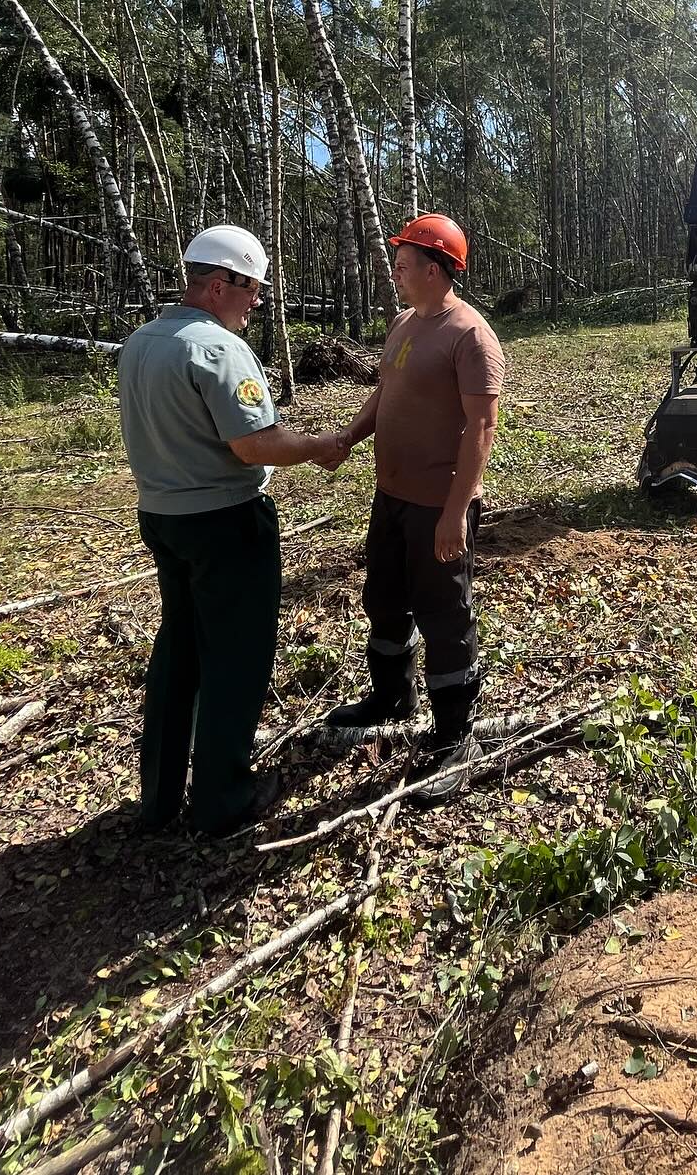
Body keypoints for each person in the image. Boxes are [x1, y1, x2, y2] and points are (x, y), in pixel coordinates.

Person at [117, 224, 347, 836]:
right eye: (252, 290)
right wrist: (323, 444)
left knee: (180, 650)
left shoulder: (142, 342)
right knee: (236, 658)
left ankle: (161, 795)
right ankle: (223, 797)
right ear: (221, 285)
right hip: (225, 522)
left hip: (162, 517)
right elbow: (252, 444)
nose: (257, 302)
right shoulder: (216, 349)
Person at [326, 213, 504, 802]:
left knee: (443, 611)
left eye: (404, 263)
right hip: (391, 496)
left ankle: (456, 736)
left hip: (437, 504)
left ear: (434, 269)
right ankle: (390, 697)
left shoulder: (470, 336)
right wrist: (348, 438)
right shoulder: (404, 323)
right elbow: (386, 391)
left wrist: (456, 511)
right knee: (384, 596)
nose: (396, 272)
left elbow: (481, 427)